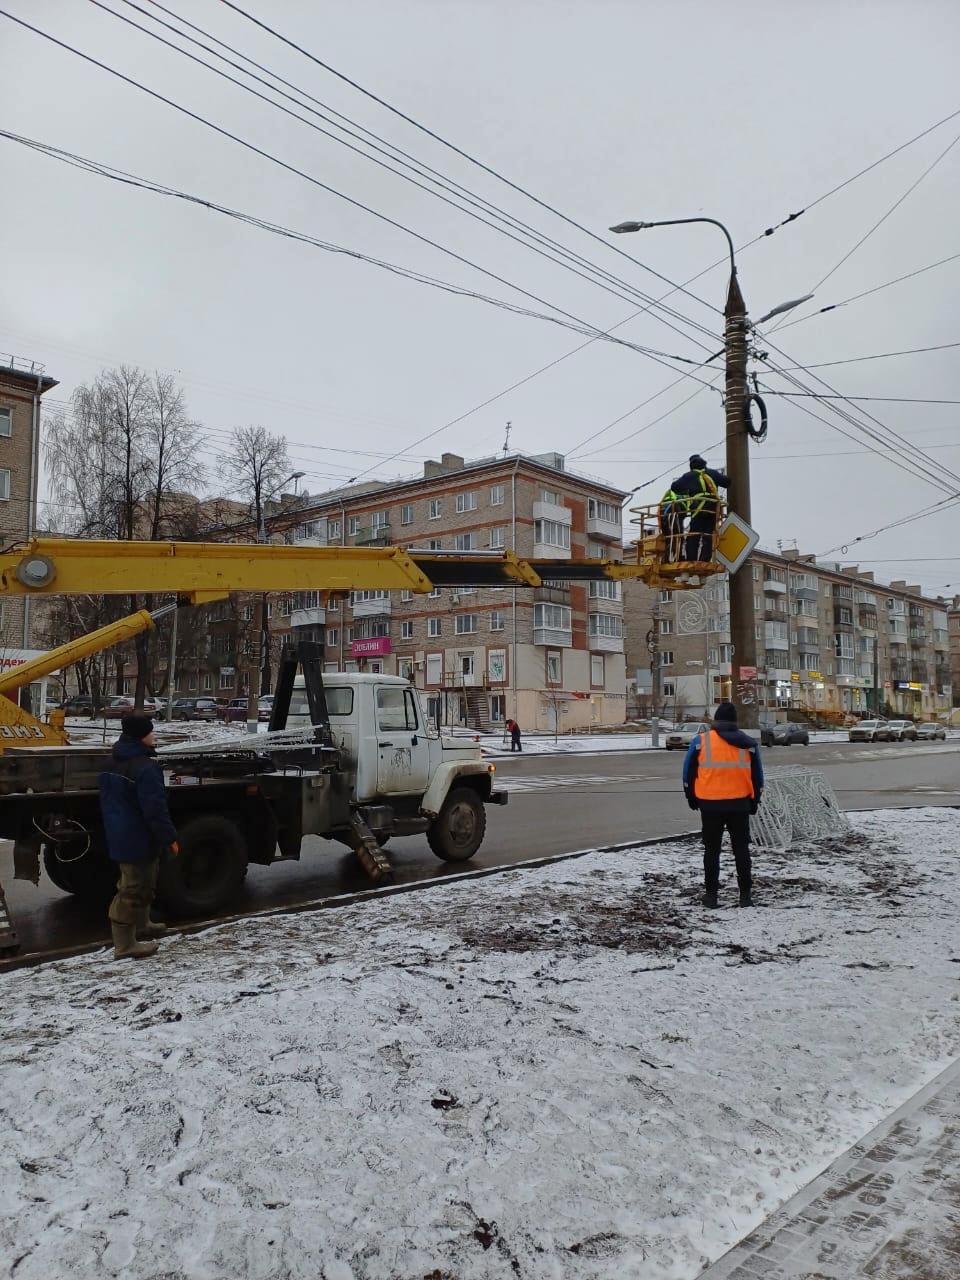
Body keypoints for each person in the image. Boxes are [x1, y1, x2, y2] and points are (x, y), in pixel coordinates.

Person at [99, 713, 179, 960]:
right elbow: (155, 809)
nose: (154, 736)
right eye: (150, 732)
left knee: (145, 880)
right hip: (138, 836)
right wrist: (169, 837)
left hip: (120, 832)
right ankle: (124, 945)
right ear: (140, 736)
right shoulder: (146, 768)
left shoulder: (112, 762)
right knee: (133, 887)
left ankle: (143, 925)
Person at [682, 701, 763, 909]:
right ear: (735, 721)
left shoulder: (701, 742)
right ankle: (745, 896)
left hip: (710, 805)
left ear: (715, 721)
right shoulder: (748, 744)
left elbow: (688, 772)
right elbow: (757, 775)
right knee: (741, 850)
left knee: (711, 851)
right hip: (739, 805)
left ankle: (711, 896)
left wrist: (691, 795)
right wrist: (755, 800)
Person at [671, 454, 729, 563]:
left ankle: (691, 560)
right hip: (712, 508)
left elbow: (674, 487)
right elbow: (727, 482)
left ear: (691, 466)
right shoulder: (712, 473)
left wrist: (687, 491)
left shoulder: (689, 476)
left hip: (698, 508)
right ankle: (704, 560)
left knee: (694, 535)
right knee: (708, 536)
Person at [658, 484, 686, 562]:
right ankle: (678, 557)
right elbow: (684, 511)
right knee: (678, 537)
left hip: (664, 516)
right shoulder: (682, 495)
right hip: (673, 514)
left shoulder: (669, 493)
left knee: (667, 538)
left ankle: (665, 559)